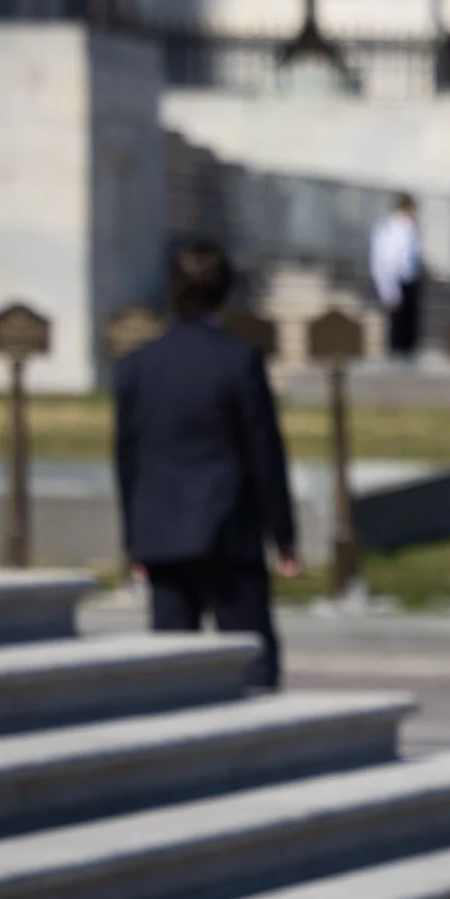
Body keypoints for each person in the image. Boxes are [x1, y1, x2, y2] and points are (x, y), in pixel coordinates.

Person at [113, 241, 299, 690]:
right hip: (227, 531)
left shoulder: (138, 365)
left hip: (161, 534)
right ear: (224, 294)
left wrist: (134, 541)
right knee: (251, 659)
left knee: (172, 669)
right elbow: (263, 453)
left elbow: (127, 458)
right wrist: (283, 534)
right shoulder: (239, 361)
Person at [369, 194, 423, 359]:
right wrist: (388, 290)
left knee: (410, 330)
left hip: (411, 282)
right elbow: (383, 261)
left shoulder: (412, 229)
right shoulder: (387, 229)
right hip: (396, 282)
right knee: (397, 330)